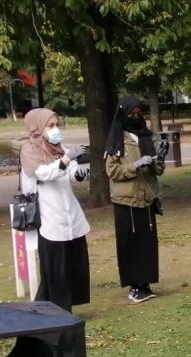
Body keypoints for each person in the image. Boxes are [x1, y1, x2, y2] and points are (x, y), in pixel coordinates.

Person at [20, 108, 90, 313]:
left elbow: (71, 171)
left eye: (57, 125)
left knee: (73, 260)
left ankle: (55, 305)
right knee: (54, 265)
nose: (55, 129)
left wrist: (78, 174)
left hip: (69, 211)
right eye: (50, 126)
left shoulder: (60, 148)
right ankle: (57, 308)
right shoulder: (30, 150)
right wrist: (66, 160)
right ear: (37, 127)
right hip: (48, 213)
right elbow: (43, 174)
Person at [105, 96, 168, 304]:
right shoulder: (117, 139)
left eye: (139, 113)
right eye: (131, 113)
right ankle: (134, 285)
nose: (135, 116)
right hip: (126, 199)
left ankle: (146, 283)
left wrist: (158, 160)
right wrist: (136, 165)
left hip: (147, 196)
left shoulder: (148, 136)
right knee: (129, 243)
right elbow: (112, 171)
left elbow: (158, 171)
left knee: (147, 243)